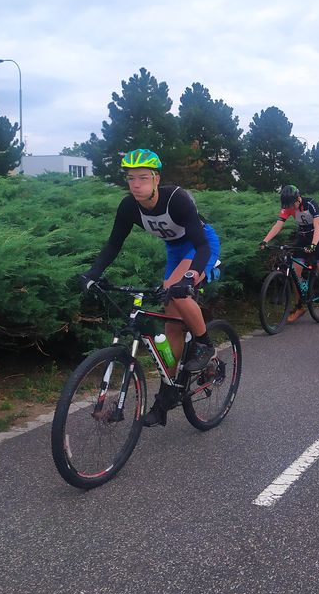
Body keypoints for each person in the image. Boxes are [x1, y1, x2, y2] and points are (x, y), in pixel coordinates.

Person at [81, 148, 221, 426]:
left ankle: (206, 345)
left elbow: (202, 245)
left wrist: (190, 277)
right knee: (171, 326)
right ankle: (168, 395)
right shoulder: (129, 207)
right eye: (130, 178)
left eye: (143, 178)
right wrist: (92, 274)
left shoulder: (177, 199)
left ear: (156, 179)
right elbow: (114, 244)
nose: (136, 184)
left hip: (200, 245)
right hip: (175, 251)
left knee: (175, 290)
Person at [259, 184, 319, 326]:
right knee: (295, 272)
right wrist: (265, 240)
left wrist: (313, 244)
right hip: (303, 237)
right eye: (288, 206)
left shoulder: (311, 204)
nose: (291, 208)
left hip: (318, 237)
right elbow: (278, 225)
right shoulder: (288, 207)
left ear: (298, 198)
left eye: (292, 204)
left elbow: (318, 227)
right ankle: (300, 306)